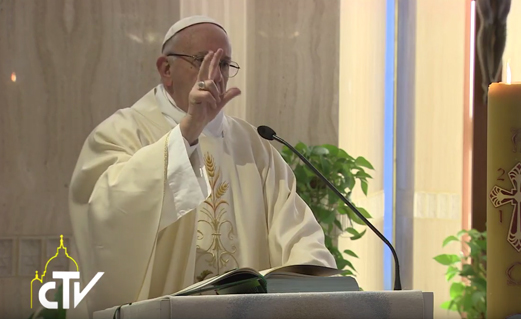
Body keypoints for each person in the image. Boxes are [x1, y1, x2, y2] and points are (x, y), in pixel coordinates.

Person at [68, 15, 335, 317]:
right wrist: (188, 132)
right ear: (165, 69)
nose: (216, 76)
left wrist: (313, 283)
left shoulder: (253, 146)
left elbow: (296, 229)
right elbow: (105, 212)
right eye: (202, 60)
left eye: (223, 64)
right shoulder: (122, 132)